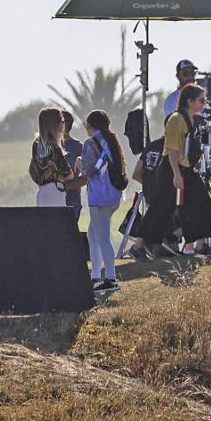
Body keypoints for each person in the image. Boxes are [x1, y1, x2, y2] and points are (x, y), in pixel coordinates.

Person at [140, 83, 211, 254]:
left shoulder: (193, 120)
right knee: (161, 208)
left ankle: (197, 244)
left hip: (186, 168)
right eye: (201, 100)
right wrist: (176, 175)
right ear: (190, 101)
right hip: (172, 168)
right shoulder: (176, 119)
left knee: (202, 204)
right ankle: (140, 246)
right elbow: (172, 150)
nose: (203, 104)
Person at [82, 110, 127, 289]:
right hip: (113, 196)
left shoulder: (90, 143)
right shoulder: (111, 141)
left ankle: (110, 278)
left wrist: (78, 162)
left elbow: (87, 171)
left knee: (102, 238)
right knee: (92, 234)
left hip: (99, 198)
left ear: (91, 126)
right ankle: (95, 276)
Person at [30, 107, 75, 207]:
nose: (64, 124)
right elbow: (69, 175)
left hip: (42, 193)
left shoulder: (36, 145)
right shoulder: (55, 148)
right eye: (62, 121)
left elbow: (32, 170)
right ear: (55, 124)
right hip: (55, 192)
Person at [60, 111, 88, 219]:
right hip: (52, 200)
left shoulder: (78, 147)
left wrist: (66, 187)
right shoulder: (50, 145)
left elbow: (87, 177)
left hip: (72, 202)